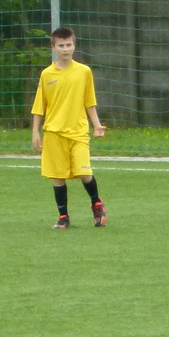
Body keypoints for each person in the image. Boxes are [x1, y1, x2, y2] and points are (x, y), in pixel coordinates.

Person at [31, 26, 107, 229]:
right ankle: (63, 217)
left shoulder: (84, 71)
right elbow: (39, 106)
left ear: (74, 46)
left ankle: (97, 204)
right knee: (58, 177)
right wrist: (35, 132)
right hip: (54, 133)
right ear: (53, 47)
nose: (65, 49)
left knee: (84, 172)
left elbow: (89, 101)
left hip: (78, 132)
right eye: (61, 45)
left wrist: (97, 125)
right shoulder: (47, 74)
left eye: (69, 45)